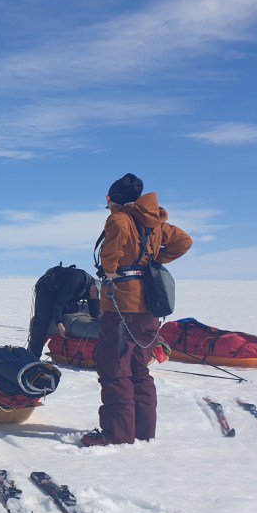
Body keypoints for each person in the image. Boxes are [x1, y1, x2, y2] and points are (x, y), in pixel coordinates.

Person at [84, 173, 192, 447]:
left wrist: (110, 272)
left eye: (108, 200)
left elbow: (111, 254)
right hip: (149, 306)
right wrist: (153, 263)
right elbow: (183, 241)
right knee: (138, 368)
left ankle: (116, 434)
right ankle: (143, 431)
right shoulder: (154, 223)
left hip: (123, 303)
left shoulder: (119, 220)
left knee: (114, 367)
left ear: (114, 199)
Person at [27, 264, 100, 358]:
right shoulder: (77, 281)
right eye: (96, 293)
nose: (95, 296)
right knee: (43, 320)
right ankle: (33, 355)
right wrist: (60, 325)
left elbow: (95, 310)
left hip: (62, 294)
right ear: (93, 287)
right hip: (46, 289)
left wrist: (100, 319)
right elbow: (58, 304)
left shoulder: (92, 290)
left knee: (74, 309)